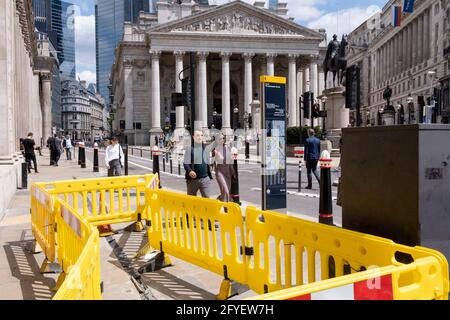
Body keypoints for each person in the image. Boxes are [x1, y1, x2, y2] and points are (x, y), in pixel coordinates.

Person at [183, 130, 213, 198]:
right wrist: (190, 171)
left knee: (207, 199)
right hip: (193, 180)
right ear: (193, 137)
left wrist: (210, 166)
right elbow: (186, 163)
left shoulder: (206, 148)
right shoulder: (190, 149)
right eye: (198, 135)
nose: (200, 137)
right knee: (191, 200)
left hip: (205, 178)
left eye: (201, 135)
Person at [213, 133, 235, 202]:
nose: (222, 140)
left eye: (223, 138)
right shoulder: (215, 150)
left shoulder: (228, 147)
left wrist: (233, 172)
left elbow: (231, 161)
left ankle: (220, 199)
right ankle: (226, 210)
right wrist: (217, 156)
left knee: (226, 192)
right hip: (220, 172)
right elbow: (214, 161)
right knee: (226, 191)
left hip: (228, 172)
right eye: (220, 138)